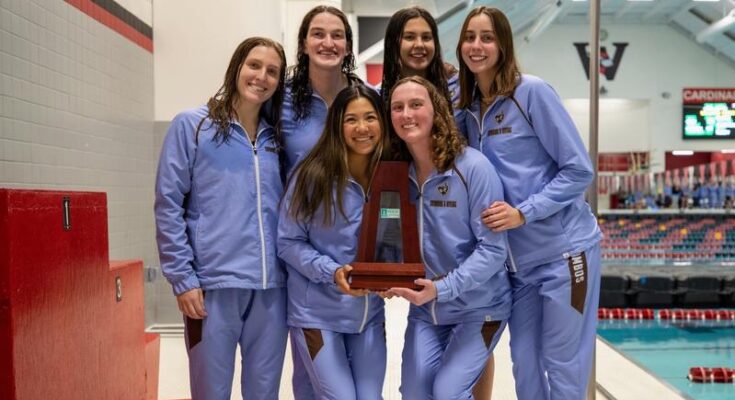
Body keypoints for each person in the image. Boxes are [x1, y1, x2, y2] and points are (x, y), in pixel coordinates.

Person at [456, 6, 603, 400]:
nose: (477, 46)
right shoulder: (468, 111)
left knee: (562, 362)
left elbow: (579, 170)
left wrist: (524, 212)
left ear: (503, 44)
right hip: (517, 267)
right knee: (524, 362)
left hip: (565, 254)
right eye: (469, 37)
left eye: (487, 37)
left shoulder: (530, 93)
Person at [154, 37, 288, 400]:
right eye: (254, 65)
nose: (261, 77)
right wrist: (182, 279)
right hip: (212, 287)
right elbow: (168, 205)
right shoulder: (192, 126)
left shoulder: (278, 137)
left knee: (265, 394)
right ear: (236, 67)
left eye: (272, 71)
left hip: (271, 289)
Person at [388, 76, 511, 400]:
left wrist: (442, 288)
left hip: (480, 308)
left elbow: (493, 251)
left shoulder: (472, 168)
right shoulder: (398, 174)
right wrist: (384, 275)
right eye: (397, 107)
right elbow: (391, 236)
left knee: (448, 392)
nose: (406, 114)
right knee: (415, 394)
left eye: (416, 105)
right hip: (426, 312)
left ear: (437, 111)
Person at [278, 85, 389, 400]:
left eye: (370, 117)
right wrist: (332, 271)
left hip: (368, 313)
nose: (362, 128)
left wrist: (394, 275)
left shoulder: (389, 176)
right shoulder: (312, 174)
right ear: (337, 125)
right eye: (351, 119)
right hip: (317, 314)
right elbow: (288, 241)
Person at [282, 5, 362, 176]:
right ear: (304, 45)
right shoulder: (280, 99)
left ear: (348, 47)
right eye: (318, 34)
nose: (328, 43)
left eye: (337, 35)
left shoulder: (366, 97)